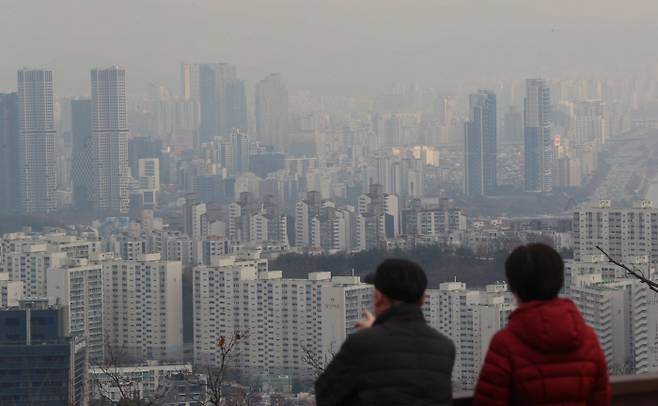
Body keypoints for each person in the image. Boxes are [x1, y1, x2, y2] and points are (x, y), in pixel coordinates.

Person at [473, 243, 611, 406]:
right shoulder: (588, 340)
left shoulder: (504, 345)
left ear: (513, 287)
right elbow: (601, 399)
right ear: (559, 281)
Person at [314, 258, 455, 406]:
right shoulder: (445, 347)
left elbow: (325, 395)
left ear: (378, 297)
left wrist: (372, 333)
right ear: (422, 299)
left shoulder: (363, 343)